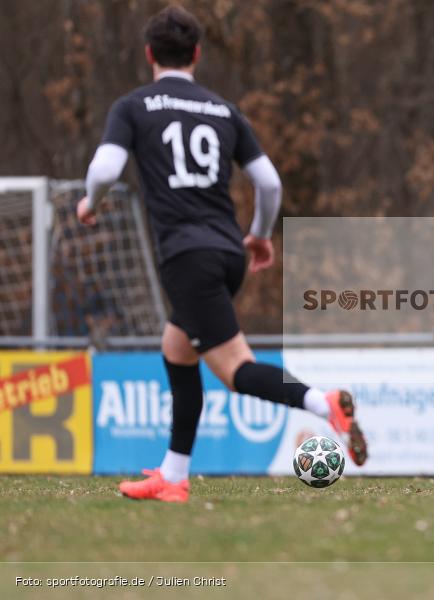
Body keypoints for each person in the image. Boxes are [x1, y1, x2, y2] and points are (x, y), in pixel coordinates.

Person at [77, 6, 367, 503]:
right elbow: (269, 182)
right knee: (176, 348)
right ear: (197, 54)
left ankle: (325, 405)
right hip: (227, 251)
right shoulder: (223, 110)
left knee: (235, 370)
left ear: (149, 54)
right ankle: (172, 475)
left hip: (187, 258)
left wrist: (90, 202)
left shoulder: (133, 106)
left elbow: (105, 170)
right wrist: (258, 234)